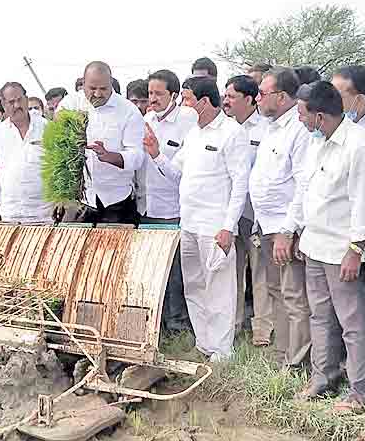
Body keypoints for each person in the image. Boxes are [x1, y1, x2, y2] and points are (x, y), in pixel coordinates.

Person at [143, 77, 250, 361]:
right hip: (188, 224)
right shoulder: (194, 134)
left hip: (215, 226)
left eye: (187, 99)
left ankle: (222, 350)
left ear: (203, 102)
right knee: (194, 285)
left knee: (219, 288)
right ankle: (204, 343)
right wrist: (156, 155)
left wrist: (229, 227)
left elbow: (240, 184)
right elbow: (177, 174)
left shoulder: (231, 132)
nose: (182, 105)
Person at [294, 81, 365, 413]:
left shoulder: (358, 144)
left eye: (302, 115)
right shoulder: (318, 142)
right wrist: (302, 234)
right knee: (320, 316)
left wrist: (356, 250)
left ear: (319, 116)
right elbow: (310, 192)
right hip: (316, 244)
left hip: (341, 250)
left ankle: (361, 390)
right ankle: (323, 377)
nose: (299, 121)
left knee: (353, 321)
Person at [248, 67, 311, 370]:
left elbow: (302, 185)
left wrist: (288, 231)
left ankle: (298, 362)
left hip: (286, 229)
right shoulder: (271, 127)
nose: (257, 98)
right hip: (267, 226)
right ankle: (283, 354)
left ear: (282, 96)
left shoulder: (298, 129)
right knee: (277, 293)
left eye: (262, 93)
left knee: (294, 297)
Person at [137, 69, 198, 334]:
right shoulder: (146, 119)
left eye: (158, 93)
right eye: (150, 93)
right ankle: (157, 324)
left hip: (172, 207)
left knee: (174, 272)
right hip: (146, 206)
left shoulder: (187, 121)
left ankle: (179, 325)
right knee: (150, 269)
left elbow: (183, 174)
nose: (153, 99)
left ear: (173, 94)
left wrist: (157, 154)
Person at [57, 61, 146, 224]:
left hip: (117, 202)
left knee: (115, 249)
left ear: (111, 84)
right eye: (92, 88)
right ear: (83, 84)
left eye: (104, 89)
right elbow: (55, 148)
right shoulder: (69, 105)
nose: (98, 94)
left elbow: (138, 156)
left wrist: (110, 156)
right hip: (80, 201)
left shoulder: (128, 110)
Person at [222, 74, 271, 341]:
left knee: (260, 274)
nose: (226, 102)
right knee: (232, 272)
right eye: (225, 96)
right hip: (230, 213)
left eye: (232, 97)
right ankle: (234, 325)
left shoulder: (265, 129)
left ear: (250, 99)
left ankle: (262, 330)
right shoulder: (225, 129)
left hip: (255, 214)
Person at [0, 82, 53, 224]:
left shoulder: (48, 127)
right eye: (11, 102)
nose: (16, 105)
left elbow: (60, 167)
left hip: (46, 215)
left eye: (19, 100)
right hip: (11, 214)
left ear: (26, 99)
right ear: (3, 105)